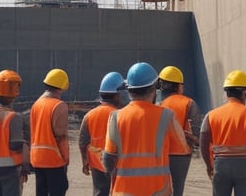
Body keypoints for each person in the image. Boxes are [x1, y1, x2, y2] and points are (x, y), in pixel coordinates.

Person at [102, 62, 190, 195]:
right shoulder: (167, 116)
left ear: (129, 90)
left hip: (124, 191)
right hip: (159, 191)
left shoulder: (116, 117)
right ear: (154, 88)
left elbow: (108, 158)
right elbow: (180, 154)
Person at [200, 70, 246, 196]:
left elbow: (203, 141)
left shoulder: (211, 115)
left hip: (221, 165)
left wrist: (209, 165)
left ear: (227, 92)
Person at [78, 72, 127, 196]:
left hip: (96, 163)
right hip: (117, 164)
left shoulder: (89, 115)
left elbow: (82, 142)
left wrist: (85, 161)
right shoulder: (121, 115)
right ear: (116, 95)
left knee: (100, 192)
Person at [157, 65, 202, 196]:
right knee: (177, 189)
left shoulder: (157, 105)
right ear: (179, 86)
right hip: (181, 154)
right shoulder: (189, 103)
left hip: (160, 153)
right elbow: (196, 134)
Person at [30, 68, 70, 196]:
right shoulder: (59, 105)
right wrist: (66, 158)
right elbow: (61, 136)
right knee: (58, 190)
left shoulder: (36, 104)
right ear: (61, 87)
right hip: (53, 159)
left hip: (37, 158)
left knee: (41, 192)